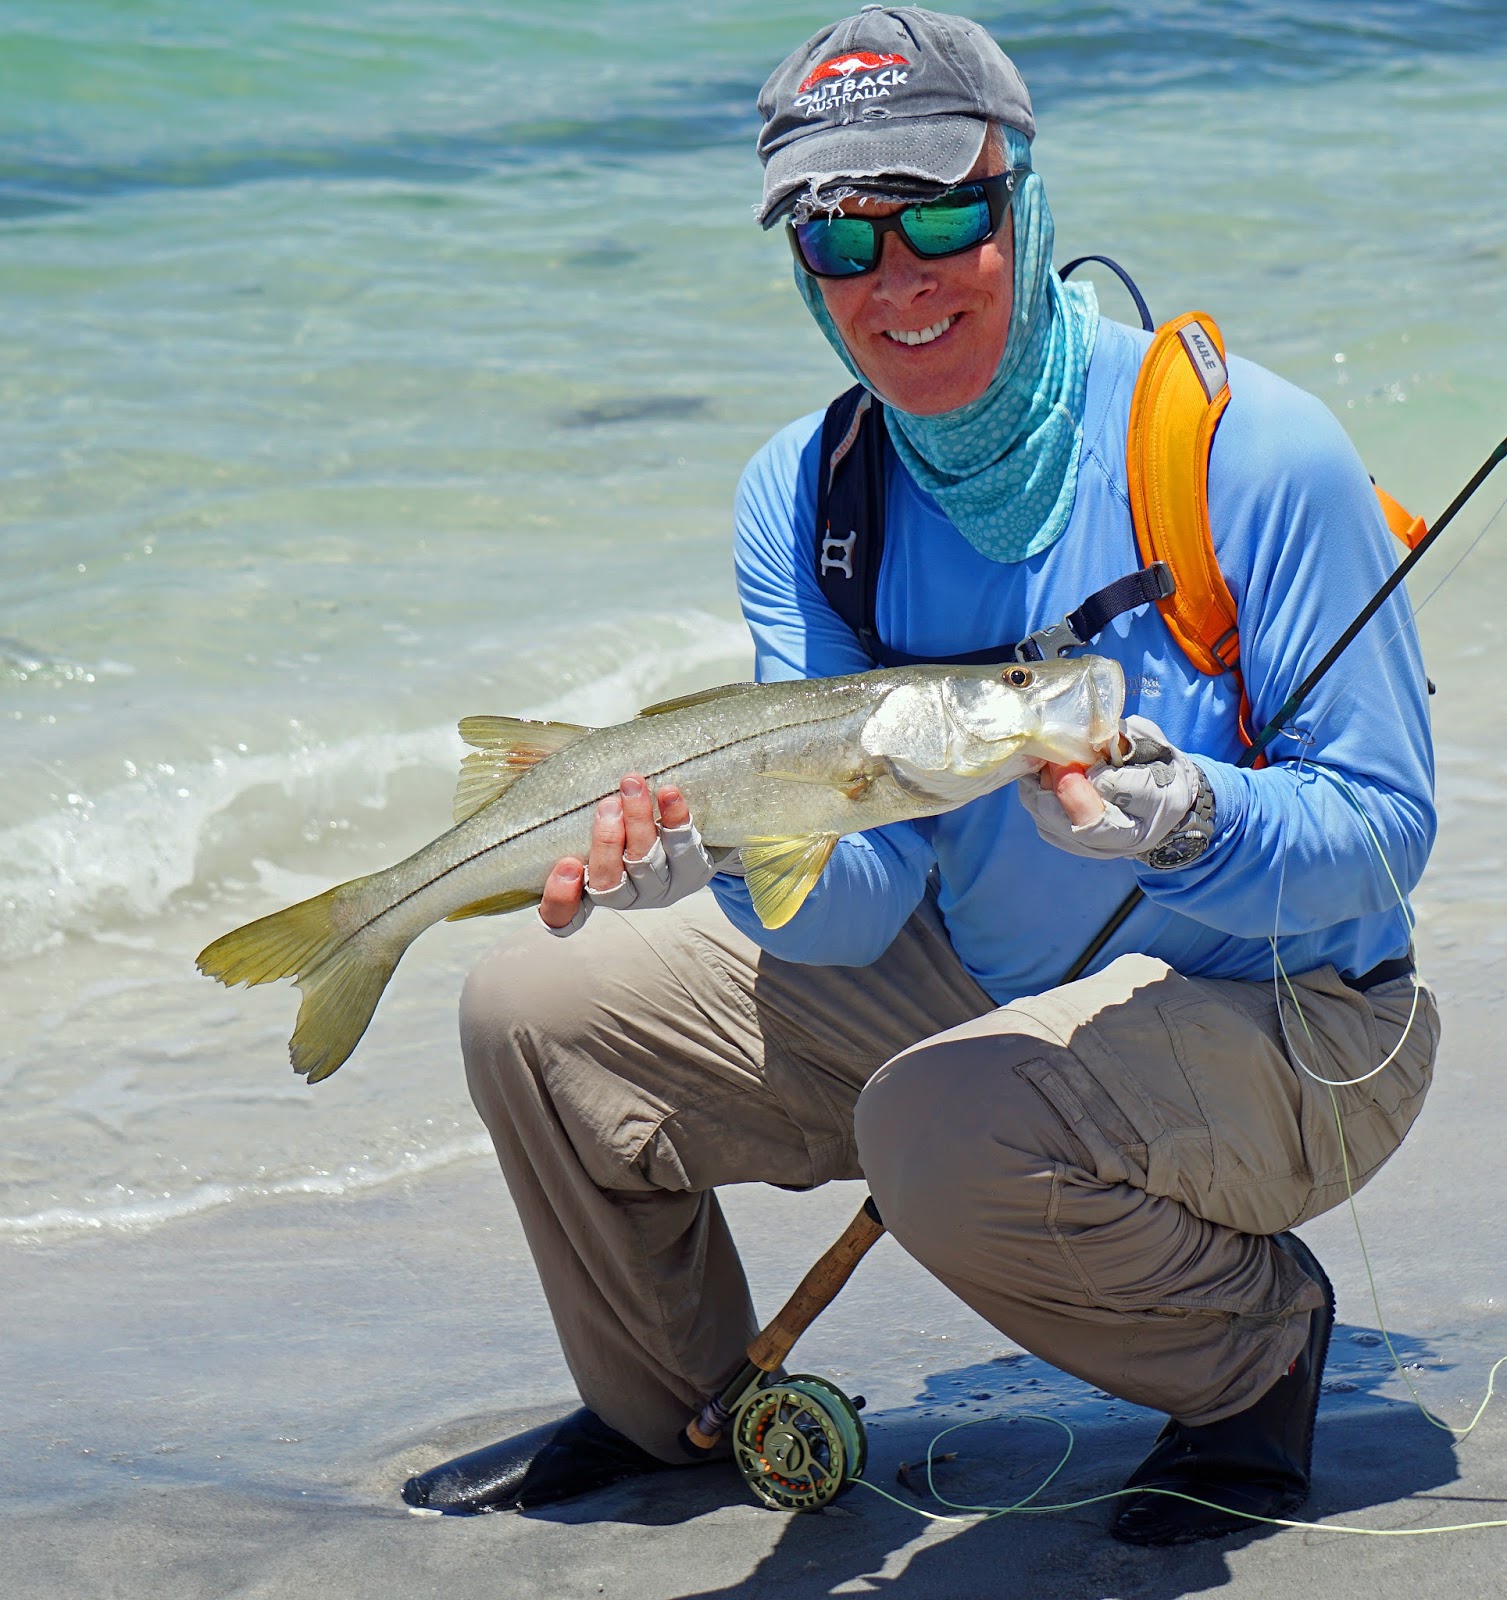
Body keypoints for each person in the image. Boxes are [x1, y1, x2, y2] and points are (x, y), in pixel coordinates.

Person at [402, 5, 1438, 1546]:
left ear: (1023, 194)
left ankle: (1248, 1352)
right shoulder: (806, 496)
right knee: (532, 1013)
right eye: (838, 240)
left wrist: (1189, 816)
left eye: (942, 213)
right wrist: (734, 856)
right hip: (975, 989)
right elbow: (854, 895)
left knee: (941, 1120)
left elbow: (1387, 835)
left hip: (1294, 1019)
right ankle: (670, 1407)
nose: (896, 278)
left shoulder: (1245, 448)